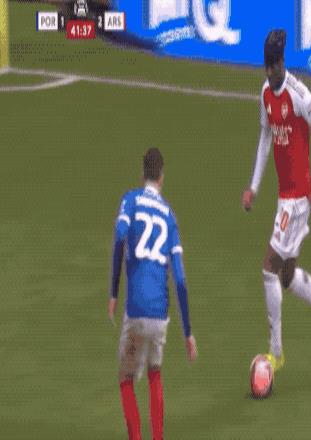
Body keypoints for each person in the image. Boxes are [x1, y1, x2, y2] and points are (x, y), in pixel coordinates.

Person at [241, 29, 311, 373]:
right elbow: (265, 137)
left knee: (268, 267)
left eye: (275, 66)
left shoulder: (298, 93)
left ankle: (276, 353)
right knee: (285, 276)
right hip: (283, 196)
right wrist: (253, 187)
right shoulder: (265, 94)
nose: (271, 72)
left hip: (297, 198)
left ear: (283, 62)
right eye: (266, 67)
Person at [108, 147, 197, 440]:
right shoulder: (169, 216)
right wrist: (188, 332)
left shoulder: (130, 200)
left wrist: (113, 291)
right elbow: (180, 279)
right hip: (160, 314)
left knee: (126, 378)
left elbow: (120, 237)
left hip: (136, 310)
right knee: (155, 373)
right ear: (161, 177)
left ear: (142, 173)